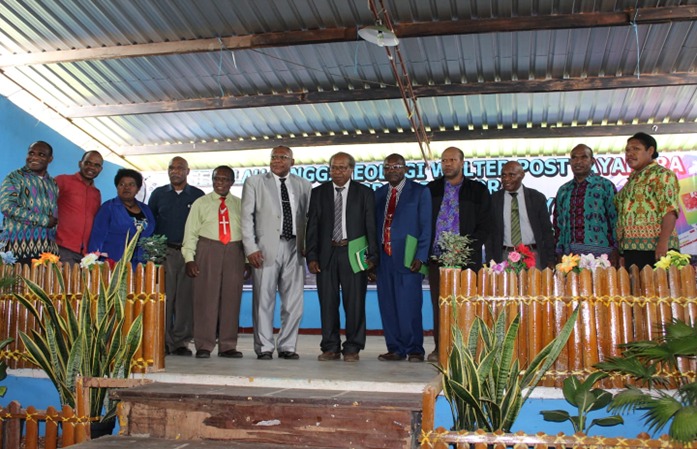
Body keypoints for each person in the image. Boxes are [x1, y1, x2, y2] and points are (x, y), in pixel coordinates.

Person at [306, 152, 378, 362]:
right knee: (327, 303)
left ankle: (353, 347)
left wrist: (372, 258)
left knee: (354, 302)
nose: (337, 172)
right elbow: (313, 227)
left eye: (342, 168)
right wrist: (312, 255)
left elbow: (370, 226)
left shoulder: (364, 192)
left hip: (354, 254)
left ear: (351, 169)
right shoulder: (318, 193)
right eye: (334, 168)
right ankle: (330, 347)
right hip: (326, 254)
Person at [241, 146, 312, 360]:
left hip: (295, 248)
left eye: (283, 157)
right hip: (264, 248)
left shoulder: (304, 185)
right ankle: (264, 347)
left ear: (293, 161)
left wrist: (309, 246)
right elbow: (246, 218)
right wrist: (250, 248)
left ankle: (287, 346)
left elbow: (308, 218)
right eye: (274, 157)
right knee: (264, 299)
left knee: (293, 301)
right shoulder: (255, 182)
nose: (277, 161)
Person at [426, 146, 492, 362]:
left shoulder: (477, 190)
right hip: (438, 259)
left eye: (452, 159)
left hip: (466, 259)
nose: (448, 164)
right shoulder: (431, 189)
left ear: (462, 162)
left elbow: (485, 225)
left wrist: (466, 248)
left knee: (466, 302)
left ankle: (467, 348)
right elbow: (423, 223)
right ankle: (440, 347)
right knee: (440, 304)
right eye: (444, 160)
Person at [182, 166, 245, 359]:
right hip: (208, 249)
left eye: (225, 179)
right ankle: (204, 344)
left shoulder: (240, 204)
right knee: (205, 298)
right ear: (212, 180)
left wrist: (248, 261)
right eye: (217, 179)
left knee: (231, 299)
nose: (221, 183)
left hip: (234, 250)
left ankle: (227, 345)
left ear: (232, 182)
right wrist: (189, 259)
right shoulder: (200, 203)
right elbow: (191, 233)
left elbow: (249, 233)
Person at [375, 154, 431, 362]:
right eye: (387, 167)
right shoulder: (379, 194)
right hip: (384, 258)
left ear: (405, 169)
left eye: (396, 166)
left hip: (409, 258)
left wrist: (422, 256)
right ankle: (395, 348)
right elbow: (373, 227)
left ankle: (415, 348)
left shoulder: (419, 192)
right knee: (388, 305)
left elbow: (426, 227)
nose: (392, 170)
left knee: (410, 305)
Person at [148, 156, 205, 357]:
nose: (175, 171)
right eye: (172, 168)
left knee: (184, 300)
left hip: (189, 253)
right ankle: (162, 341)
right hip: (165, 253)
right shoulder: (158, 194)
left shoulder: (198, 195)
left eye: (180, 168)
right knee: (165, 297)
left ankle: (180, 342)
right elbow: (150, 223)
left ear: (188, 172)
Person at [615, 132, 679, 269]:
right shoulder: (631, 181)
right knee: (635, 290)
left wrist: (663, 244)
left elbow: (670, 211)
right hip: (631, 249)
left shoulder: (662, 174)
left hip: (655, 248)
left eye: (636, 149)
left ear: (650, 151)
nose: (630, 153)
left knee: (659, 289)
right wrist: (622, 253)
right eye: (627, 150)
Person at [553, 144, 618, 262]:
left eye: (584, 157)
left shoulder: (605, 185)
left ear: (592, 161)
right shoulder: (563, 190)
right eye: (574, 157)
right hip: (570, 258)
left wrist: (617, 251)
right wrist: (558, 252)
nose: (578, 162)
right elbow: (558, 225)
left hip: (601, 256)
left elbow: (615, 220)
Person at [0, 141, 59, 264]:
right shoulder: (15, 177)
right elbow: (7, 207)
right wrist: (44, 220)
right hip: (16, 251)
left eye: (41, 155)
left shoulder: (52, 184)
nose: (34, 157)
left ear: (50, 159)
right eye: (31, 153)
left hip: (46, 253)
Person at [489, 161, 555, 269]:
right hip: (505, 256)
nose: (506, 179)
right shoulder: (494, 200)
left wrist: (550, 259)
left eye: (512, 175)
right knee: (507, 286)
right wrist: (490, 259)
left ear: (522, 175)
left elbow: (546, 231)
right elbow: (489, 234)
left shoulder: (536, 198)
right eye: (503, 175)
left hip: (532, 255)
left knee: (534, 286)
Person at [88, 168, 156, 264]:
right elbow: (97, 237)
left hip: (142, 264)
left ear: (138, 188)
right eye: (122, 184)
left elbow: (151, 236)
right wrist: (93, 262)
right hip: (114, 264)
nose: (126, 187)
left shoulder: (146, 210)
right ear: (117, 187)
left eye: (131, 184)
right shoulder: (108, 207)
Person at [55, 151, 104, 265]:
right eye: (88, 163)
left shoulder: (96, 193)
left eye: (96, 165)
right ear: (80, 163)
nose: (91, 167)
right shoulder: (63, 181)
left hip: (86, 255)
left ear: (100, 169)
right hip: (63, 248)